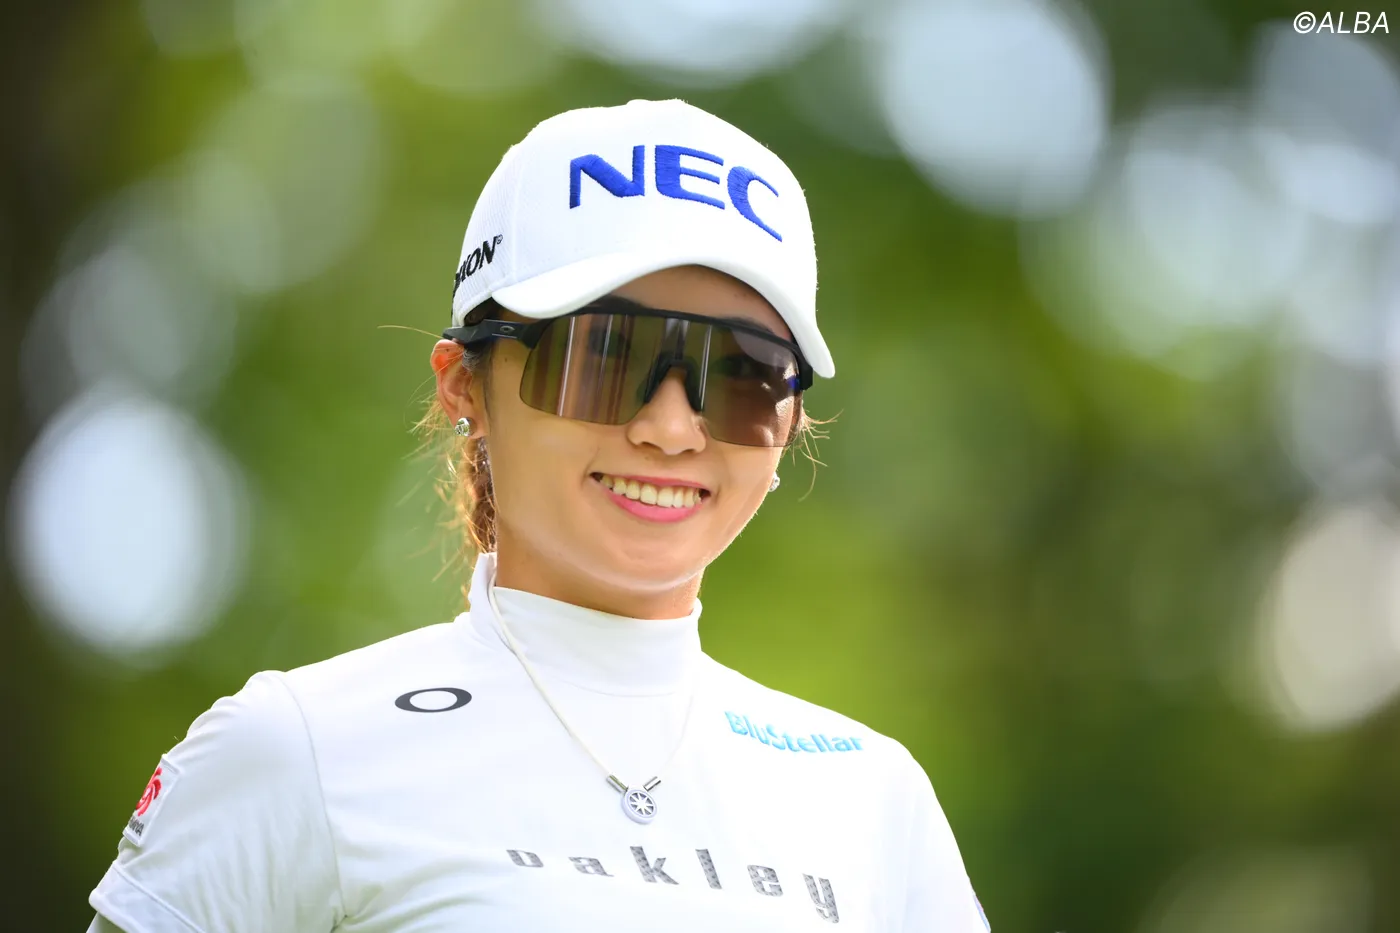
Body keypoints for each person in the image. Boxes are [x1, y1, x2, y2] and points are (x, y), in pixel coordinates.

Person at [85, 99, 990, 932]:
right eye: (603, 356)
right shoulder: (295, 752)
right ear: (464, 384)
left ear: (787, 421)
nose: (672, 428)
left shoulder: (875, 800)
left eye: (740, 373)